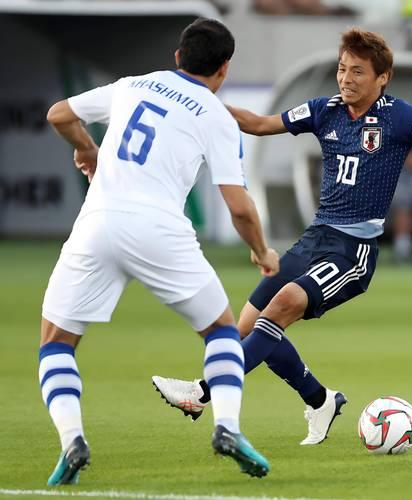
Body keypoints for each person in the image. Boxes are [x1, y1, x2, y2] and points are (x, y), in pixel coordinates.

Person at [152, 27, 412, 446]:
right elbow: (258, 123)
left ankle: (202, 393)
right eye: (342, 69)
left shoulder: (402, 117)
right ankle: (321, 400)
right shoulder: (323, 109)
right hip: (314, 239)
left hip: (353, 250)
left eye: (357, 71)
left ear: (382, 77)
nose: (346, 78)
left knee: (282, 306)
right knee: (247, 329)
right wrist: (202, 100)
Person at [40, 18, 279, 484]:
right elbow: (239, 207)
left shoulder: (133, 85)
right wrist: (262, 251)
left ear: (177, 56)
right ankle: (227, 428)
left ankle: (72, 440)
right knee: (221, 331)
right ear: (224, 68)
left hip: (98, 223)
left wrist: (87, 149)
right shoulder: (216, 115)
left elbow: (58, 114)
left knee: (56, 342)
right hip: (160, 230)